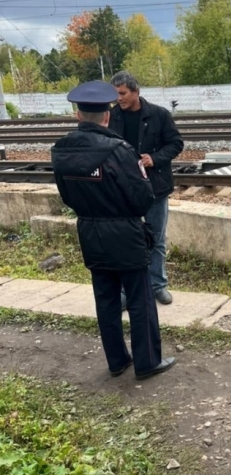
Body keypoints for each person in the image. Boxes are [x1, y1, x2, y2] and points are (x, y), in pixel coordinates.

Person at [51, 80, 176, 381]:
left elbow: (67, 196)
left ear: (78, 115)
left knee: (105, 300)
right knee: (140, 299)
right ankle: (147, 362)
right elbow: (142, 198)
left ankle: (117, 360)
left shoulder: (61, 151)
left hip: (90, 232)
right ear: (107, 117)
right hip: (125, 235)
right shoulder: (119, 150)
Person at [108, 71, 184, 308]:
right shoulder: (111, 117)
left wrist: (155, 158)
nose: (118, 98)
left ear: (135, 91)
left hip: (155, 187)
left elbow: (176, 143)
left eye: (122, 94)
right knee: (124, 240)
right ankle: (125, 291)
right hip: (123, 188)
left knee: (157, 239)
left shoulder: (159, 115)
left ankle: (157, 285)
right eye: (115, 94)